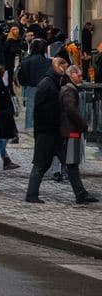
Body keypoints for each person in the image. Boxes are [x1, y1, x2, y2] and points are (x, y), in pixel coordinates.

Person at [26, 57, 71, 203]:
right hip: (46, 132)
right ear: (59, 66)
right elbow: (40, 110)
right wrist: (40, 130)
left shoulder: (55, 81)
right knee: (41, 164)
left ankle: (80, 192)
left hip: (53, 131)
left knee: (68, 163)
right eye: (65, 66)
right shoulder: (47, 83)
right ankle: (31, 194)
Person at [54, 64, 99, 205]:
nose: (81, 78)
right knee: (71, 163)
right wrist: (83, 124)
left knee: (70, 163)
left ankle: (80, 192)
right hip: (71, 131)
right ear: (72, 75)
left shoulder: (68, 88)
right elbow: (71, 109)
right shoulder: (69, 90)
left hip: (69, 130)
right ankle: (80, 194)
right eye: (78, 75)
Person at [16, 39, 51, 130]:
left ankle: (29, 126)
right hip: (45, 86)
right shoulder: (47, 62)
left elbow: (21, 76)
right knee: (43, 107)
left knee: (30, 107)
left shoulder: (26, 61)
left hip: (30, 86)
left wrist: (25, 84)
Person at [0, 63, 19, 171]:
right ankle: (5, 159)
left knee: (0, 138)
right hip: (2, 115)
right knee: (0, 139)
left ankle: (5, 159)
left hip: (1, 115)